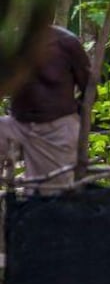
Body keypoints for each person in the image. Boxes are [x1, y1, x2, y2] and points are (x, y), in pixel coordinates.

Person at [0, 25, 91, 191]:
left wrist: (66, 120)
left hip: (57, 129)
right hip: (17, 125)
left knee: (51, 199)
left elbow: (90, 92)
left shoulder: (66, 43)